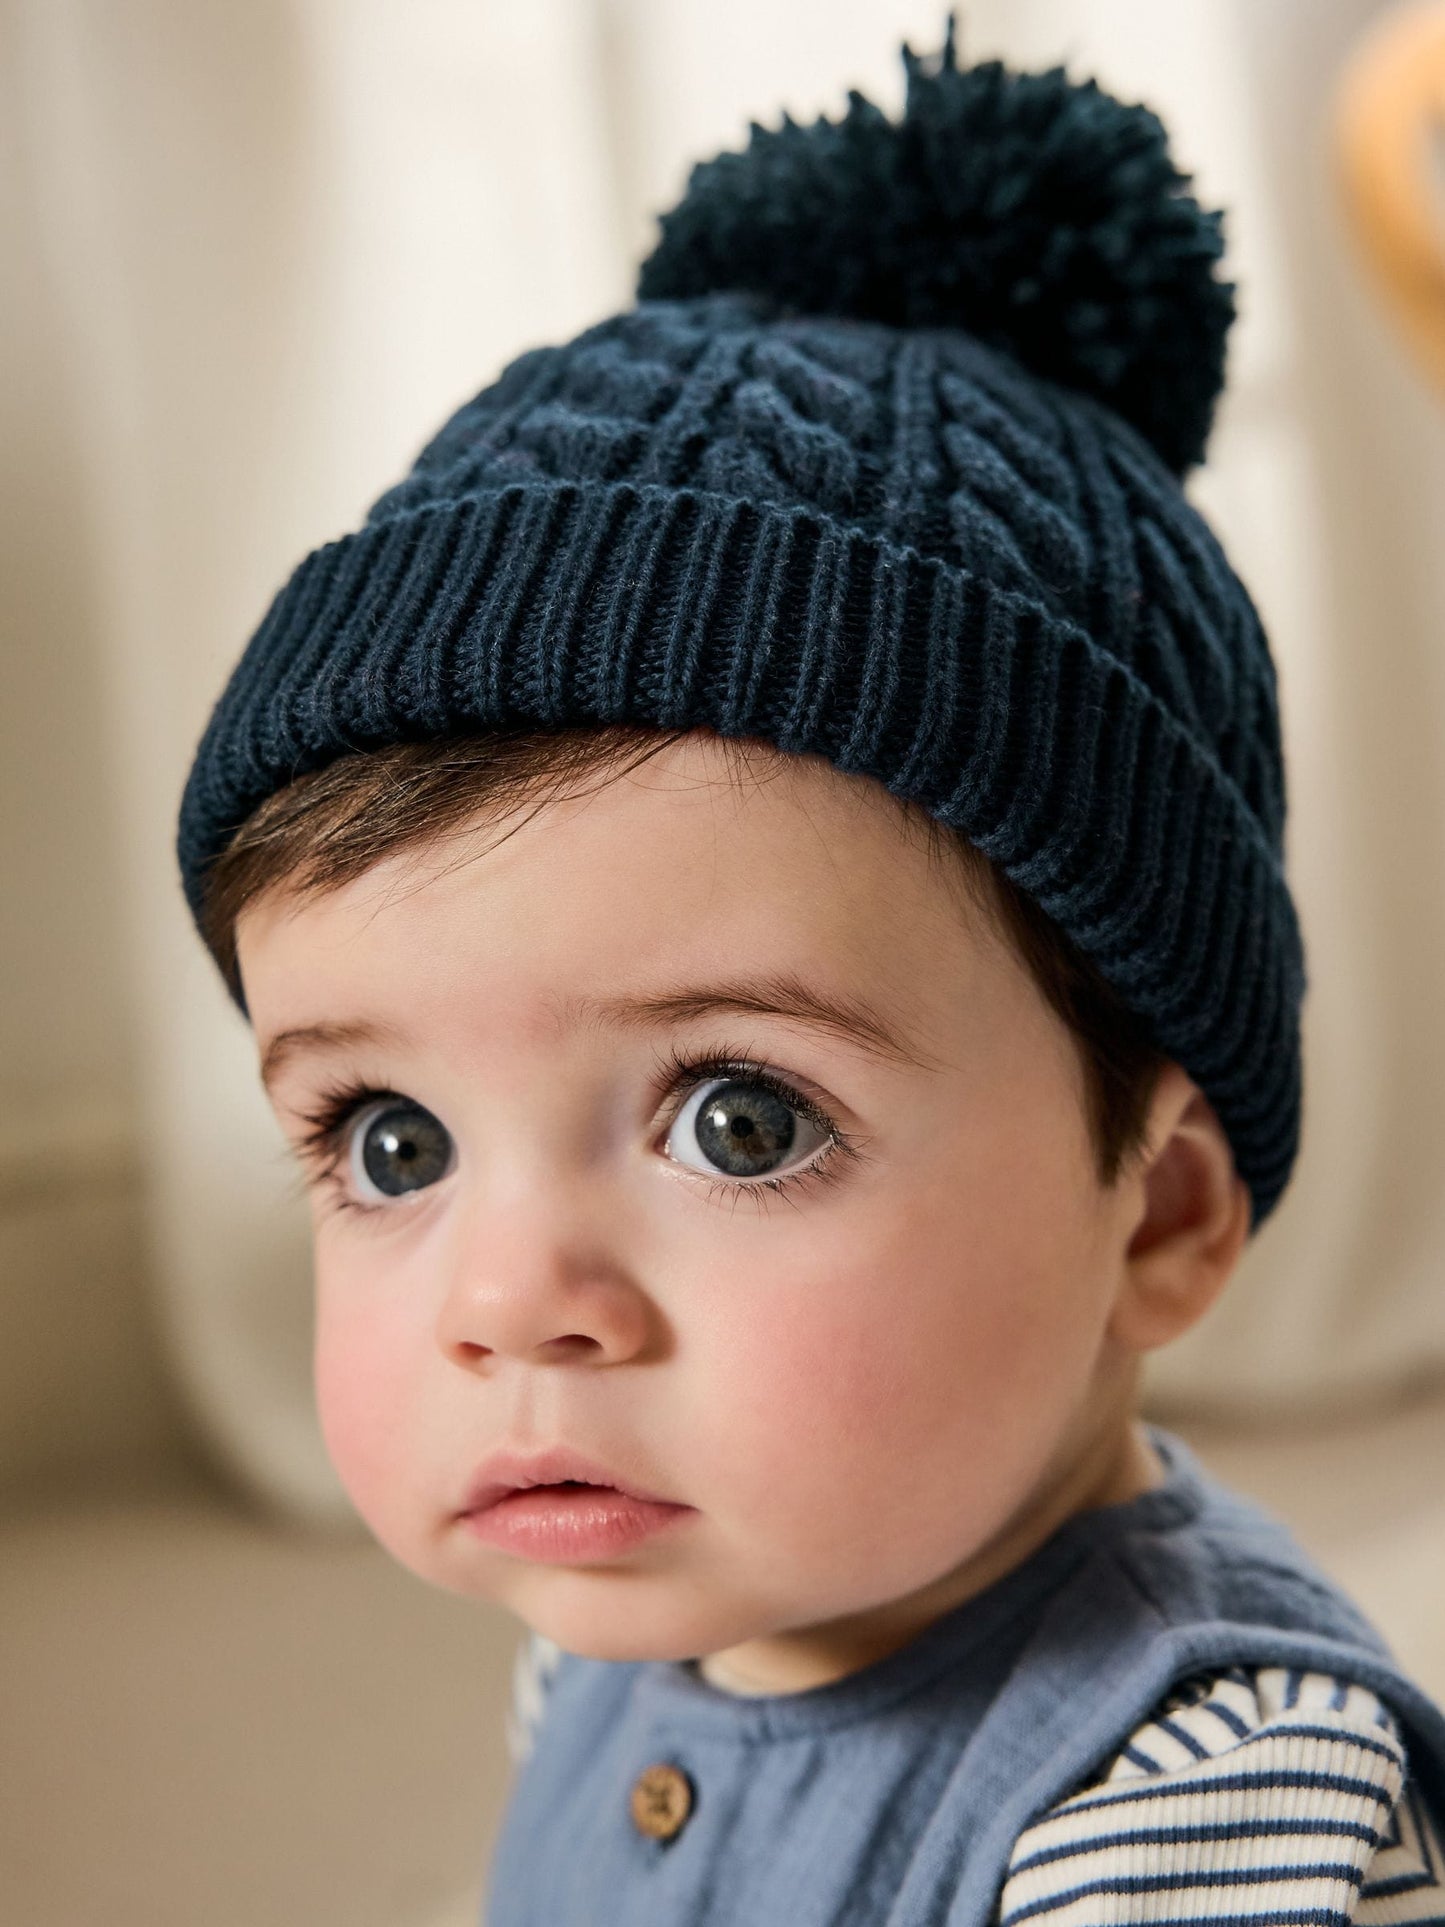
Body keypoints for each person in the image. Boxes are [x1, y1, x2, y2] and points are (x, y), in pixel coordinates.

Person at [176, 20, 1445, 1924]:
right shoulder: (619, 1634)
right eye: (391, 1144)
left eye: (739, 1116)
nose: (513, 1302)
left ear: (1160, 1209)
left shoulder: (1204, 1813)